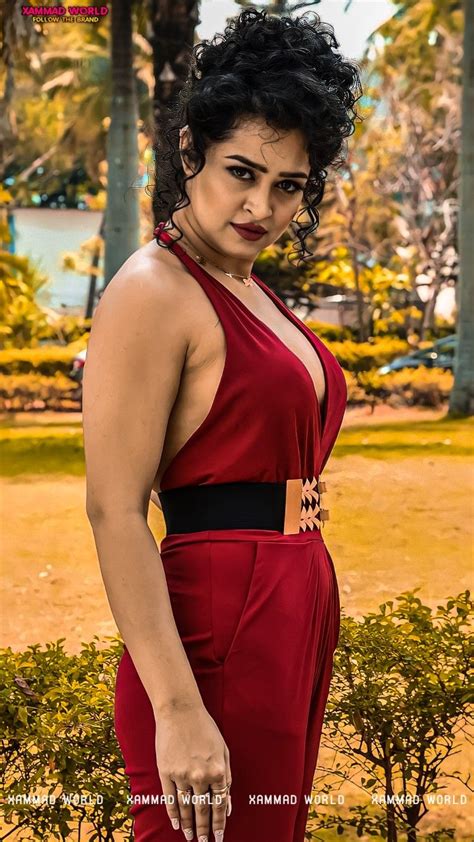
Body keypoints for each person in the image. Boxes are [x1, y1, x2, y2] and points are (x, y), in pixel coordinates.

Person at [83, 8, 362, 842]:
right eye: (241, 171)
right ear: (189, 152)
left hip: (290, 606)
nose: (260, 205)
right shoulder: (153, 290)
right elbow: (114, 509)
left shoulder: (248, 284)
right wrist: (178, 710)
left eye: (288, 185)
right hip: (216, 630)